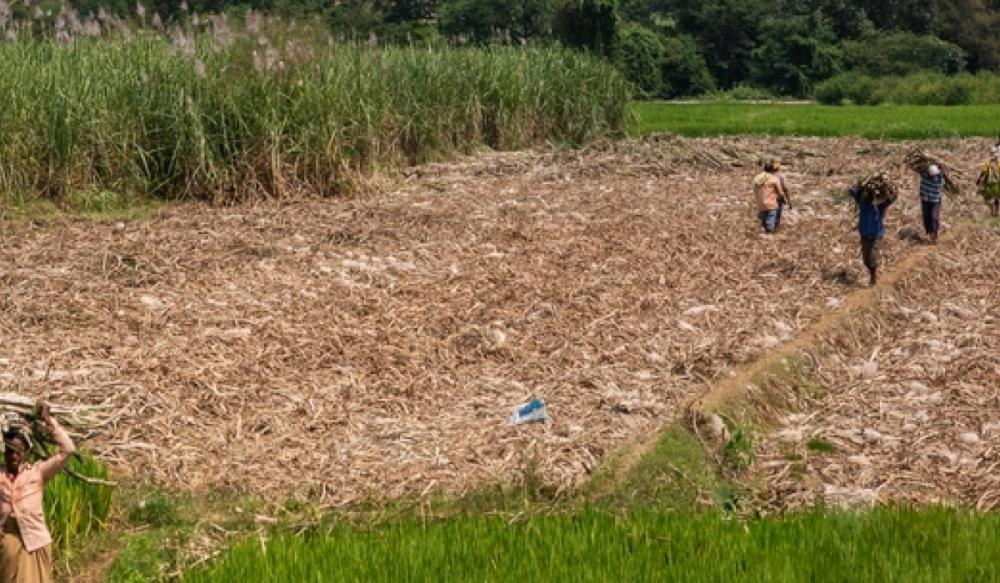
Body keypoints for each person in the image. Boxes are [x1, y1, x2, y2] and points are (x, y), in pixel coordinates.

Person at [0, 403, 75, 583]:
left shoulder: (37, 473)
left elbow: (68, 450)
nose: (13, 456)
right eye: (10, 451)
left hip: (35, 542)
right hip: (6, 545)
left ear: (26, 452)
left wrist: (50, 422)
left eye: (18, 452)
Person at [849, 185, 893, 287]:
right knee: (865, 259)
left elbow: (892, 198)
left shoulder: (880, 205)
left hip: (876, 234)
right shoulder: (862, 202)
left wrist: (886, 192)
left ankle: (873, 277)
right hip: (864, 234)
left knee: (872, 257)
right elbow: (851, 190)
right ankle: (871, 271)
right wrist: (863, 186)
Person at [753, 157, 789, 234]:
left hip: (760, 205)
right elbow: (781, 192)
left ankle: (764, 230)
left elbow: (755, 190)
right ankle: (768, 234)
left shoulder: (757, 178)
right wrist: (784, 199)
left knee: (764, 221)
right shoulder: (774, 179)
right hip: (771, 204)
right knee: (770, 223)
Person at [918, 164, 944, 243]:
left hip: (935, 201)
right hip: (925, 200)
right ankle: (929, 232)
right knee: (926, 216)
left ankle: (934, 233)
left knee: (934, 217)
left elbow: (944, 171)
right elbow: (920, 169)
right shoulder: (925, 176)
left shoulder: (940, 179)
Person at [977, 146, 1000, 217]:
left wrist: (978, 180)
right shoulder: (998, 163)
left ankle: (993, 211)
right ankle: (996, 212)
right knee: (997, 198)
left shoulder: (987, 163)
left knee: (989, 198)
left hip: (989, 184)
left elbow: (983, 172)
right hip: (997, 184)